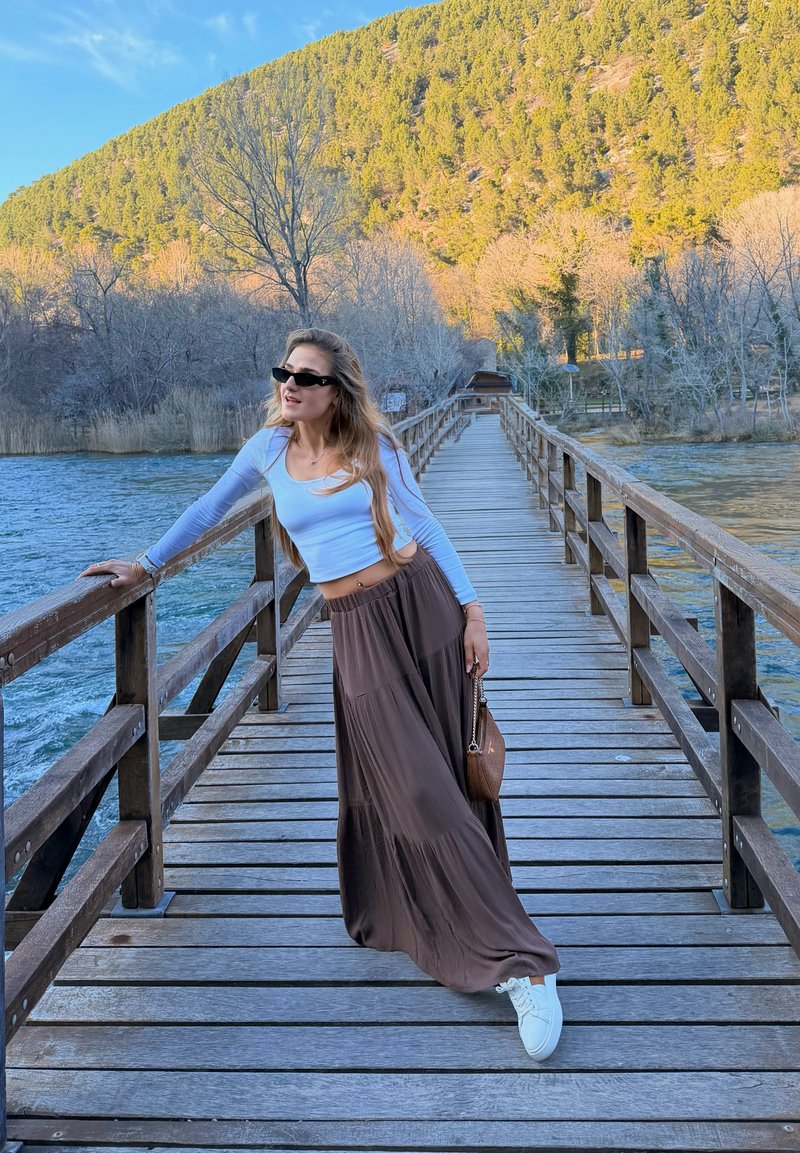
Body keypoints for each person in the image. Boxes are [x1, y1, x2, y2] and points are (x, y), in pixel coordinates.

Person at [79, 327, 562, 1061]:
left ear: (337, 389)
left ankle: (521, 964)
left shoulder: (375, 447)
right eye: (283, 371)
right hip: (356, 630)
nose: (289, 384)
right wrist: (145, 565)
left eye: (306, 376)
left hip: (421, 608)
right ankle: (502, 945)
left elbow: (425, 524)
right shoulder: (268, 450)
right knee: (417, 787)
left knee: (446, 782)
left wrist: (475, 610)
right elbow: (210, 509)